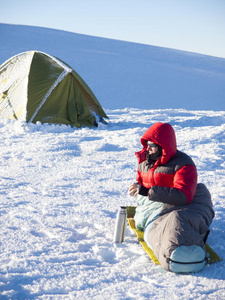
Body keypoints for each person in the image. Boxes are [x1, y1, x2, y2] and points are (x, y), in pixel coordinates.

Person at [128, 122, 214, 273]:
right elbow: (142, 184)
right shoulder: (144, 162)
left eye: (152, 145)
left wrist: (148, 191)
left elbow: (183, 195)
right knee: (168, 222)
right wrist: (139, 188)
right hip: (155, 206)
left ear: (164, 146)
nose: (148, 148)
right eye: (147, 144)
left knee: (186, 210)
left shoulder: (183, 164)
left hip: (182, 202)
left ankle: (185, 242)